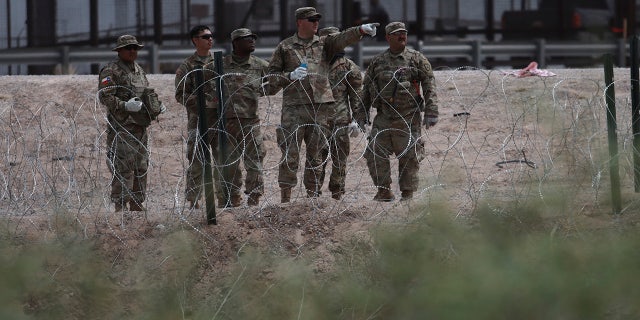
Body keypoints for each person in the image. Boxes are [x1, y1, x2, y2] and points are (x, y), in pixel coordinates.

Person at [267, 6, 379, 203]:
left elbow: (343, 38)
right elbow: (271, 80)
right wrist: (289, 76)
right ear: (300, 22)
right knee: (290, 155)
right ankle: (286, 199)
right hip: (294, 109)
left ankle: (313, 198)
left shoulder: (325, 44)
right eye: (311, 19)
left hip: (320, 109)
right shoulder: (285, 47)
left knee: (315, 156)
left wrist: (360, 30)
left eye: (317, 19)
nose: (316, 22)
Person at [355, 22, 439, 202]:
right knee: (374, 152)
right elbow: (367, 90)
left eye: (404, 33)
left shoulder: (416, 59)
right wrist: (360, 115)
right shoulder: (378, 62)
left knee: (409, 156)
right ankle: (384, 191)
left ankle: (407, 195)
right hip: (384, 117)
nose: (402, 36)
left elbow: (429, 85)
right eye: (397, 34)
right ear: (388, 38)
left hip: (408, 117)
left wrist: (431, 111)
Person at [98, 35, 166, 212]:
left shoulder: (138, 70)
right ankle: (120, 205)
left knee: (140, 165)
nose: (132, 51)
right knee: (123, 166)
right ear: (119, 50)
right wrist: (124, 105)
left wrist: (156, 106)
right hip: (122, 127)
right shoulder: (110, 70)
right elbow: (105, 96)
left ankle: (137, 203)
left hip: (140, 126)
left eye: (135, 48)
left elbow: (145, 93)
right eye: (128, 48)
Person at [175, 25, 228, 209]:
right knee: (197, 160)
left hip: (219, 118)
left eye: (211, 36)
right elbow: (180, 94)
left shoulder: (220, 61)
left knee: (222, 159)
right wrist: (201, 101)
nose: (209, 40)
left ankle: (223, 198)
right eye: (205, 37)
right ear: (195, 40)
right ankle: (194, 201)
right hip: (198, 120)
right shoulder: (188, 65)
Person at [221, 28, 271, 206]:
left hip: (250, 121)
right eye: (246, 39)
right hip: (226, 122)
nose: (252, 41)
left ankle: (254, 198)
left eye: (253, 38)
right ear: (235, 43)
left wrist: (257, 91)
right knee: (230, 162)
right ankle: (233, 198)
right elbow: (204, 84)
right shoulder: (221, 64)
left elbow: (273, 82)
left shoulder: (259, 65)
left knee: (255, 160)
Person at [317, 26, 364, 200]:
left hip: (340, 120)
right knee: (316, 160)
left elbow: (356, 95)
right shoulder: (313, 65)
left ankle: (337, 191)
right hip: (318, 120)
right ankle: (313, 193)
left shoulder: (349, 67)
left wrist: (358, 120)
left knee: (340, 158)